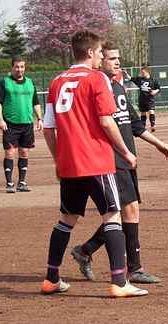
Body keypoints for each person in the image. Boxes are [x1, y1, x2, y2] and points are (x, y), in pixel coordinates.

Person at [42, 30, 147, 298]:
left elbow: (48, 129)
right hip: (96, 161)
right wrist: (125, 152)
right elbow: (106, 121)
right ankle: (119, 283)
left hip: (69, 163)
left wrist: (57, 160)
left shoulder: (57, 81)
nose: (102, 56)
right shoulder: (97, 78)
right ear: (89, 52)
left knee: (66, 219)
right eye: (100, 51)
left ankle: (51, 278)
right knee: (112, 216)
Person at [71, 42, 168, 284]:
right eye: (110, 58)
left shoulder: (117, 86)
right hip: (109, 159)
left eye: (118, 58)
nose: (117, 62)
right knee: (126, 210)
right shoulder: (94, 88)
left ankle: (85, 251)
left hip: (126, 157)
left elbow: (135, 125)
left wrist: (158, 143)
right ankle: (132, 268)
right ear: (98, 60)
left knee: (124, 211)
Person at [0, 57, 43, 193]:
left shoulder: (31, 83)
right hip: (10, 124)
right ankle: (9, 183)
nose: (19, 69)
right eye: (16, 67)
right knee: (10, 153)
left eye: (22, 67)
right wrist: (0, 120)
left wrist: (39, 118)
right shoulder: (4, 83)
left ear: (24, 68)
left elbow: (36, 102)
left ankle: (22, 182)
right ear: (11, 67)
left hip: (27, 124)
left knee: (24, 152)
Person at [127, 66, 160, 132]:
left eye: (143, 72)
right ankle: (143, 127)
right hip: (142, 99)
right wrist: (126, 74)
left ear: (147, 72)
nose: (142, 74)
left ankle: (152, 126)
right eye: (141, 72)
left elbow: (158, 88)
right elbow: (130, 78)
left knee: (151, 111)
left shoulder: (153, 80)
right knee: (143, 113)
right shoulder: (140, 79)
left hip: (150, 99)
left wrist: (154, 91)